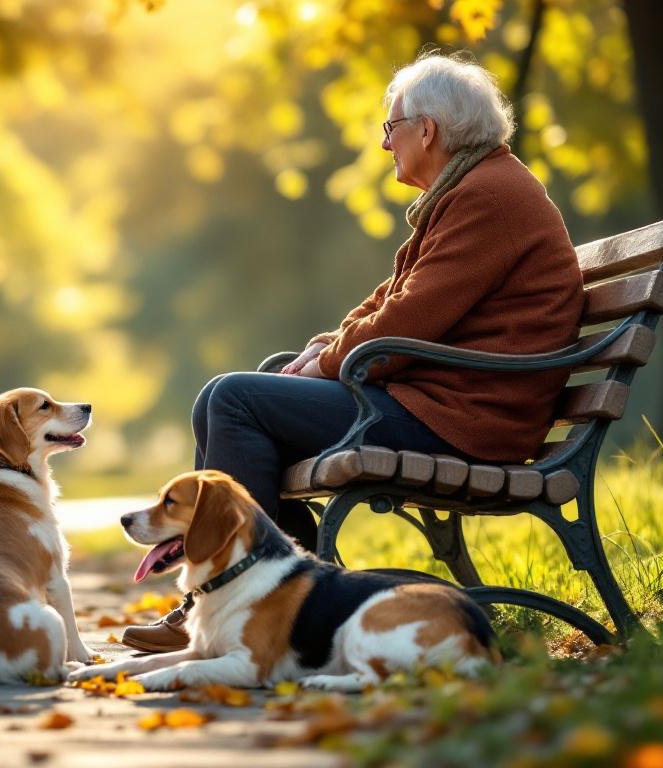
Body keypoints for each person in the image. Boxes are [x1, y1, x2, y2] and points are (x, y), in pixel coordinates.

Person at [121, 52, 584, 653]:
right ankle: (262, 601)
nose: (386, 144)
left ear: (428, 130)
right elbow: (394, 298)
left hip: (465, 421)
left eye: (391, 128)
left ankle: (247, 605)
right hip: (445, 403)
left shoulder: (487, 195)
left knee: (234, 397)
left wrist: (331, 358)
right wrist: (325, 348)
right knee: (248, 385)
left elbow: (412, 316)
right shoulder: (471, 188)